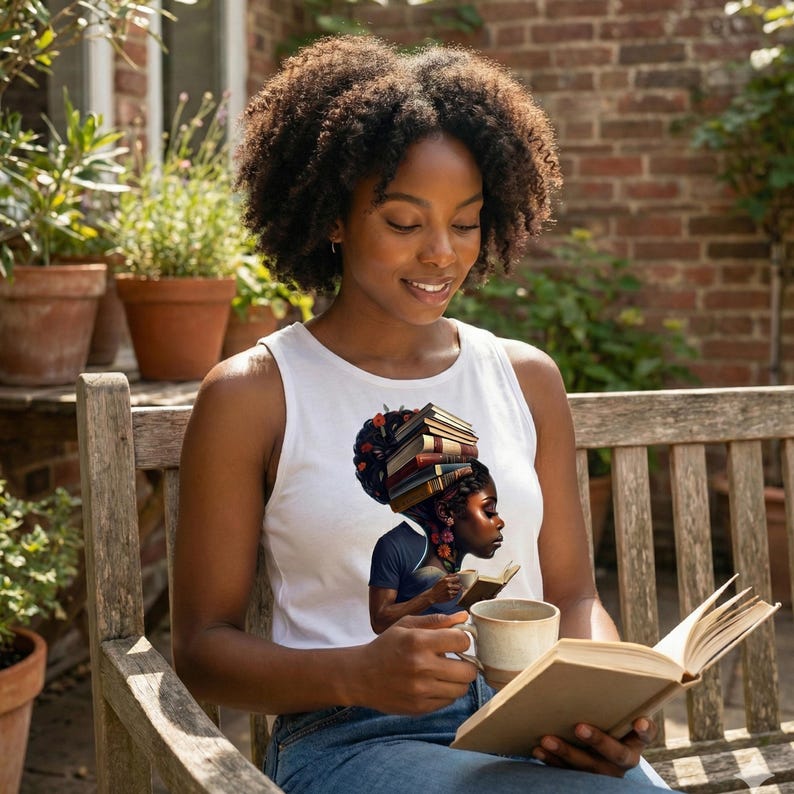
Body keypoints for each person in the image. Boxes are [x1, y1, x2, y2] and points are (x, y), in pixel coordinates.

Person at [172, 34, 677, 793]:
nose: (442, 253)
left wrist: (601, 699)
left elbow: (573, 596)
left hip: (528, 730)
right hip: (352, 736)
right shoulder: (256, 393)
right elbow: (201, 651)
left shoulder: (525, 378)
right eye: (405, 223)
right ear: (333, 219)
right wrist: (360, 673)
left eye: (466, 223)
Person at [354, 408, 506, 632]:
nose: (500, 522)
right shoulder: (394, 546)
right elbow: (380, 620)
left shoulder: (449, 559)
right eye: (489, 512)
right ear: (445, 512)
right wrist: (430, 597)